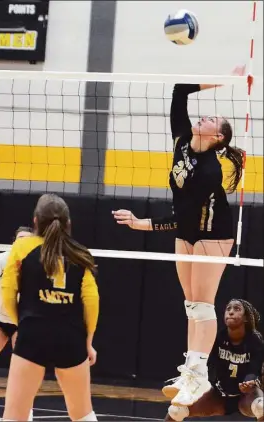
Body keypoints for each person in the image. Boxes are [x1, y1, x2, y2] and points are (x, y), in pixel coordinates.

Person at [112, 66, 246, 407]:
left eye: (212, 119)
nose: (205, 117)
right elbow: (179, 90)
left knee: (203, 304)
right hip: (187, 230)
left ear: (219, 137)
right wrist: (224, 80)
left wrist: (142, 224)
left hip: (213, 233)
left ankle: (200, 377)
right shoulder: (182, 140)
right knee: (191, 305)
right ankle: (189, 369)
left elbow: (180, 216)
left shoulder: (209, 171)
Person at [1, 193, 100, 421]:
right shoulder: (80, 254)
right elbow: (91, 301)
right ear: (68, 224)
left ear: (35, 222)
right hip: (70, 337)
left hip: (32, 333)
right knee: (83, 413)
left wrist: (21, 324)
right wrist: (88, 340)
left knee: (14, 416)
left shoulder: (22, 247)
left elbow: (6, 290)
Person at [165, 299, 264, 421]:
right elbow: (206, 365)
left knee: (261, 407)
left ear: (246, 318)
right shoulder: (217, 338)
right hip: (219, 396)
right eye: (228, 309)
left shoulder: (255, 341)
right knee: (176, 410)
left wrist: (249, 381)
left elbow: (254, 368)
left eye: (237, 309)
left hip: (245, 397)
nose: (231, 312)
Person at [0, 226, 33, 421]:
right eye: (19, 238)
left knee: (23, 370)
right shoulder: (1, 259)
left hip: (23, 322)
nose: (22, 242)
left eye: (27, 239)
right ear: (13, 241)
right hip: (0, 318)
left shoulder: (38, 264)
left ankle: (26, 414)